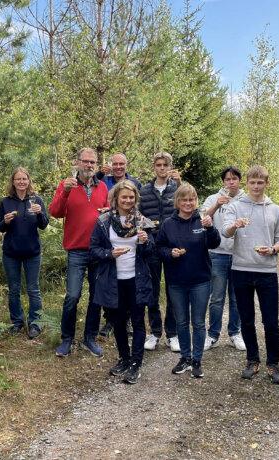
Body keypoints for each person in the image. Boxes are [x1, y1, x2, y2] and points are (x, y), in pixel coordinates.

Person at [224, 165, 279, 384]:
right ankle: (252, 360)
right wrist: (235, 225)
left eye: (260, 182)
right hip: (241, 269)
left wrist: (273, 249)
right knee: (247, 320)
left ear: (266, 183)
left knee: (270, 321)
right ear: (247, 184)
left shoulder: (275, 210)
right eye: (252, 182)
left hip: (266, 270)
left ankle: (273, 363)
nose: (256, 186)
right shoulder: (235, 206)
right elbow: (225, 231)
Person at [90, 180, 154, 384]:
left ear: (136, 198)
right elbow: (93, 249)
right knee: (117, 322)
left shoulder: (141, 221)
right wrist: (110, 253)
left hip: (136, 279)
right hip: (113, 280)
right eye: (124, 197)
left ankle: (136, 363)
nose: (128, 200)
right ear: (116, 198)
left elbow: (150, 251)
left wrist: (146, 242)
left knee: (137, 321)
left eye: (131, 197)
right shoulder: (104, 221)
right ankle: (124, 358)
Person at [50, 147, 110, 357]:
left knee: (96, 296)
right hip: (76, 250)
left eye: (92, 162)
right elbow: (55, 212)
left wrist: (107, 212)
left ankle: (89, 338)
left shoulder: (102, 187)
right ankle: (67, 339)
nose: (89, 165)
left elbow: (109, 214)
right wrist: (65, 192)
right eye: (85, 161)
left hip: (97, 250)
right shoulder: (67, 185)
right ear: (77, 163)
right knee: (72, 296)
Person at [157, 183, 220, 378]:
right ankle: (185, 358)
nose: (188, 203)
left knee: (199, 322)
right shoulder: (168, 224)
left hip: (200, 280)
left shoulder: (202, 220)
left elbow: (215, 243)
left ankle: (197, 360)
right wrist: (170, 253)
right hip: (176, 281)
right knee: (182, 322)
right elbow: (159, 248)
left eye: (191, 199)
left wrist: (209, 229)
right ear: (177, 202)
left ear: (196, 201)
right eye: (184, 199)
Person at [0, 167, 49, 339]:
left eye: (24, 179)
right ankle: (17, 322)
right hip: (11, 252)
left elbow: (44, 225)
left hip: (32, 252)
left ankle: (36, 323)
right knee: (14, 289)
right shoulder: (6, 202)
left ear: (29, 181)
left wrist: (40, 213)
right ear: (13, 182)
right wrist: (5, 221)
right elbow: (0, 227)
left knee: (33, 289)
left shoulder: (36, 200)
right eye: (18, 179)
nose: (21, 182)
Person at [139, 152, 182, 351]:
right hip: (152, 246)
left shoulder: (177, 189)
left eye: (165, 165)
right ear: (154, 167)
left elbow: (187, 210)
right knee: (152, 291)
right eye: (158, 164)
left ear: (170, 167)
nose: (162, 168)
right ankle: (155, 332)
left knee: (173, 290)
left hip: (172, 246)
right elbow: (138, 215)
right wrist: (147, 229)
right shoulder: (144, 190)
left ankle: (172, 334)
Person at [202, 166, 246, 352]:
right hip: (218, 253)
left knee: (237, 298)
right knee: (217, 297)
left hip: (240, 254)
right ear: (223, 181)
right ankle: (212, 335)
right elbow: (202, 218)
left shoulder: (247, 199)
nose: (231, 182)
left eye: (234, 178)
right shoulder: (213, 198)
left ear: (239, 180)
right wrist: (217, 205)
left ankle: (235, 333)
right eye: (227, 179)